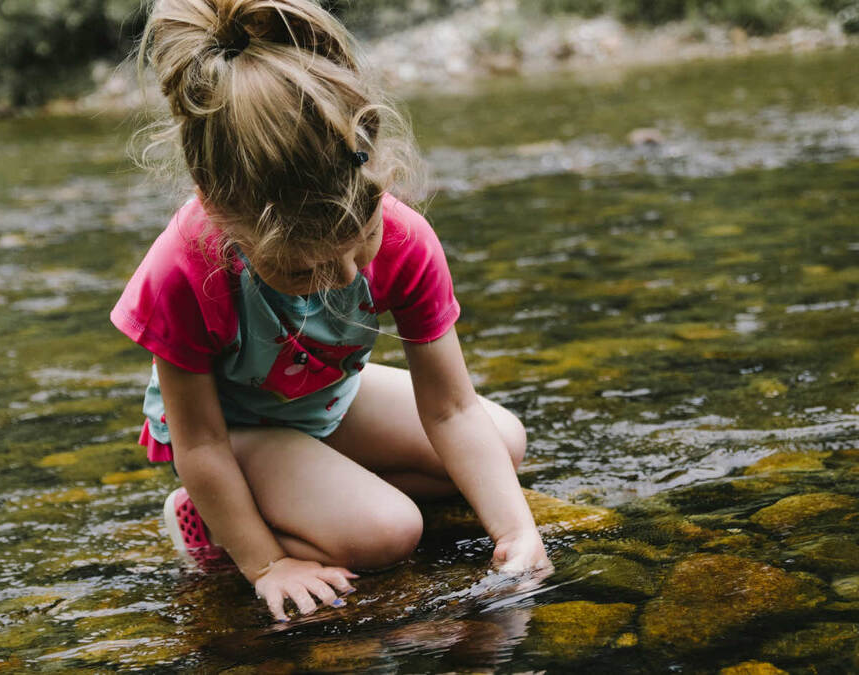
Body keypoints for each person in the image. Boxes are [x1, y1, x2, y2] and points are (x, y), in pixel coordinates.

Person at [111, 0, 551, 623]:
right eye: (301, 271)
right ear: (223, 217)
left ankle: (320, 490)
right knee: (390, 533)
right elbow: (201, 443)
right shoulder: (184, 268)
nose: (344, 279)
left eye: (358, 247)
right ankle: (208, 521)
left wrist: (516, 531)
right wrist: (265, 564)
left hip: (324, 399)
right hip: (235, 432)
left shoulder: (402, 236)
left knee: (502, 443)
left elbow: (450, 407)